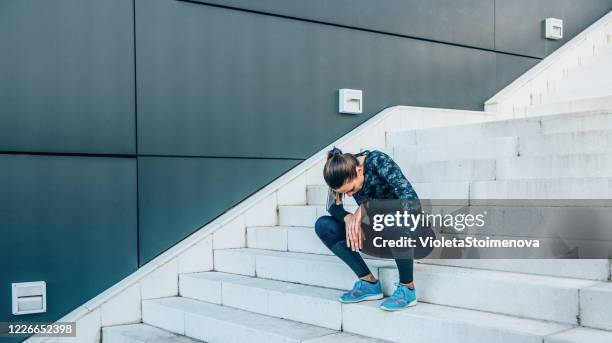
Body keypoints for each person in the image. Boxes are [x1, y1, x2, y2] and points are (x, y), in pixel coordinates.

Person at [314, 147, 420, 311]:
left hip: (403, 232)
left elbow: (412, 203)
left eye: (351, 190)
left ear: (358, 170)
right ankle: (369, 283)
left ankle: (408, 288)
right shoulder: (341, 168)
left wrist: (368, 207)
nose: (349, 195)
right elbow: (332, 206)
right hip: (376, 232)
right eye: (344, 192)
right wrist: (348, 218)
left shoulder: (378, 162)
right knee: (324, 225)